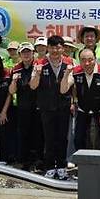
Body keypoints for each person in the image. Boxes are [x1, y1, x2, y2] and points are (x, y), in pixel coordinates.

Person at [30, 35, 74, 179]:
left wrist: (67, 72)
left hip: (64, 106)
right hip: (46, 107)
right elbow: (33, 86)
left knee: (62, 137)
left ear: (63, 48)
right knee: (49, 137)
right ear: (48, 48)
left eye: (58, 47)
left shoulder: (69, 63)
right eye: (52, 47)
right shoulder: (39, 62)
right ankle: (49, 166)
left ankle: (61, 165)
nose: (55, 50)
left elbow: (67, 87)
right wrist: (36, 73)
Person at [10, 42, 42, 171]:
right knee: (23, 134)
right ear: (19, 54)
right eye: (23, 52)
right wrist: (13, 80)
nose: (26, 54)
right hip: (23, 108)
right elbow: (11, 91)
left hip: (39, 107)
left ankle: (39, 161)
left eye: (28, 52)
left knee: (39, 135)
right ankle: (24, 161)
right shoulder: (16, 68)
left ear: (33, 53)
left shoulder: (39, 66)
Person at [71, 48, 100, 151]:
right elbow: (72, 87)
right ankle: (81, 163)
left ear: (95, 59)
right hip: (82, 109)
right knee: (78, 137)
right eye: (83, 60)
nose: (87, 63)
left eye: (90, 59)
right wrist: (74, 101)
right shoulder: (75, 72)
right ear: (79, 61)